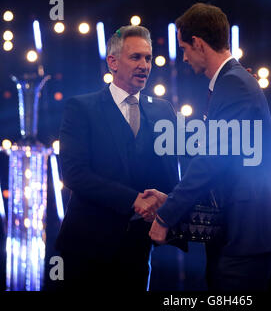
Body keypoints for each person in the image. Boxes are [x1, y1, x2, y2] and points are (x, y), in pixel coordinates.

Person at [146, 3, 271, 291]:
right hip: (243, 233)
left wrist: (167, 214)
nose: (184, 57)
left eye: (185, 48)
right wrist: (171, 200)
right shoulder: (232, 81)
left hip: (249, 236)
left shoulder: (234, 84)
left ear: (199, 44)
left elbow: (211, 162)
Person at [55, 25, 180, 291]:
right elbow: (75, 174)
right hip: (85, 249)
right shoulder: (81, 108)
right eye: (135, 57)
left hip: (137, 250)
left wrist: (166, 211)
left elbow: (172, 174)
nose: (144, 65)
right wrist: (133, 200)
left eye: (148, 58)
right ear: (112, 62)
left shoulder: (163, 111)